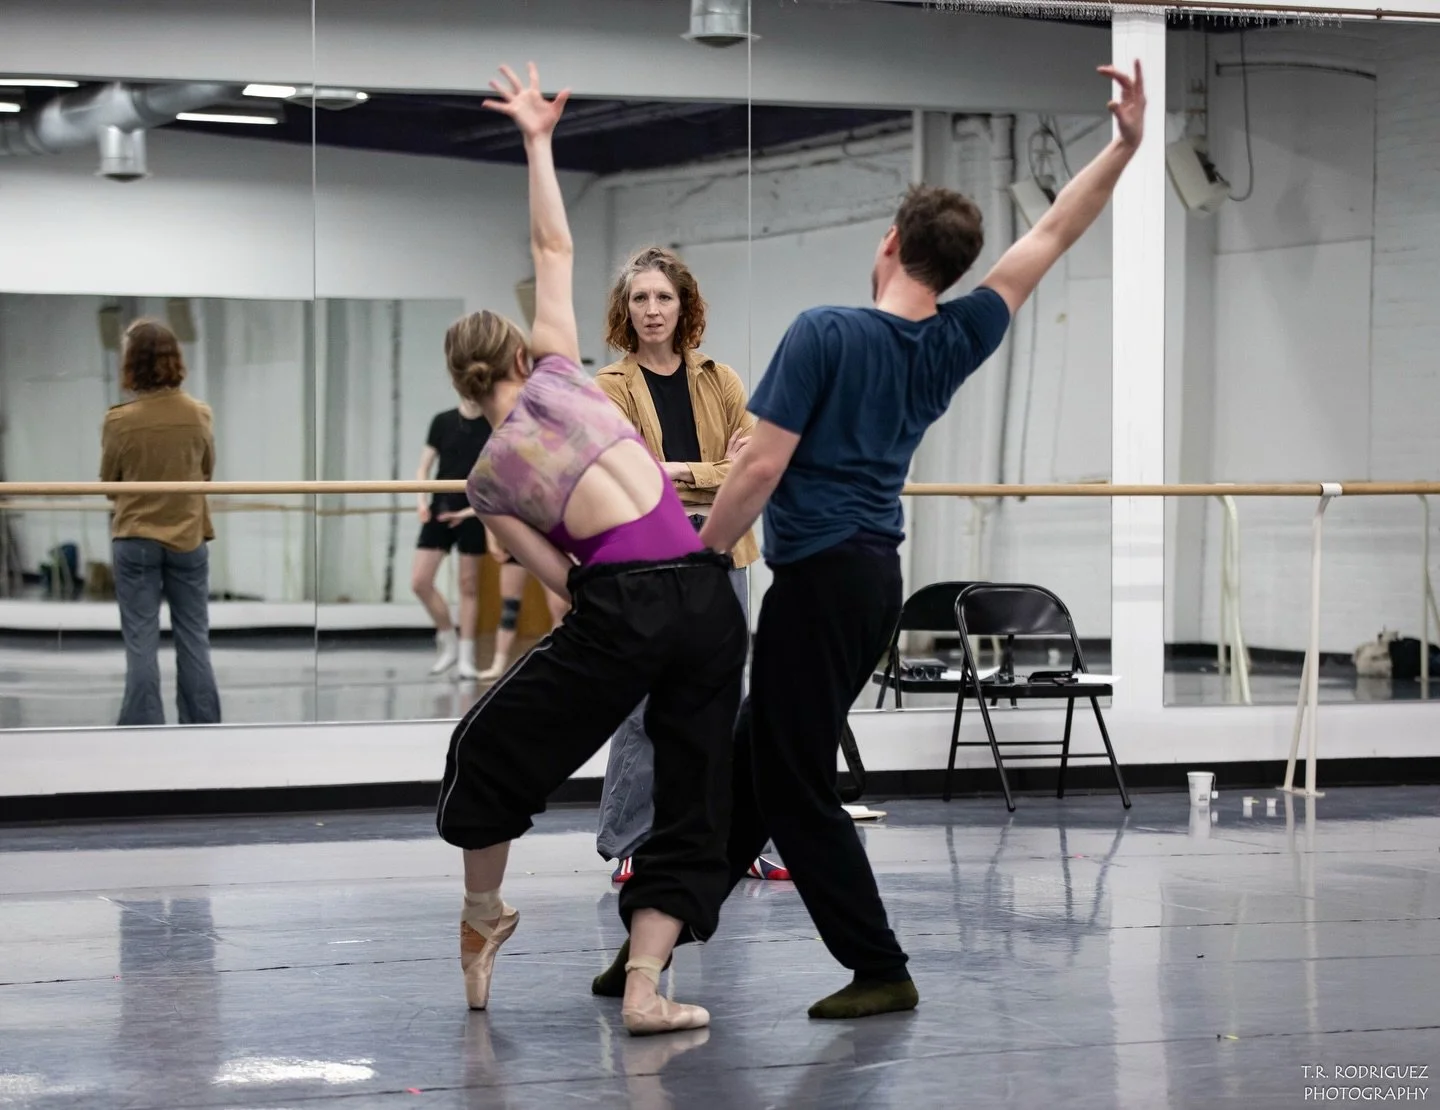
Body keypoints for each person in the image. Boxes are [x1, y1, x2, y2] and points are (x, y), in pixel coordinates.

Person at [593, 60, 1147, 1019]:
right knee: (754, 773)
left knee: (792, 784)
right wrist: (1125, 146)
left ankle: (880, 965)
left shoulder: (825, 332)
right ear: (952, 265)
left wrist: (702, 553)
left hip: (815, 586)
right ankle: (656, 941)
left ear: (889, 243)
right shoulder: (958, 336)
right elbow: (1053, 233)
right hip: (872, 584)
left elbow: (758, 470)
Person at [434, 62, 747, 1037]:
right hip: (709, 596)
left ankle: (484, 914)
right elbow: (553, 244)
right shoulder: (564, 376)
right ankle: (647, 989)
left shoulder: (489, 483)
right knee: (690, 800)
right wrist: (538, 139)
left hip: (630, 606)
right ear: (519, 357)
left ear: (461, 388)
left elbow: (567, 584)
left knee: (484, 751)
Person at [593, 245, 788, 886]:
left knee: (727, 699)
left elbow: (750, 465)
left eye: (663, 297)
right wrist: (711, 471)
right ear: (626, 310)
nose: (652, 309)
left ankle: (738, 837)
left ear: (684, 306)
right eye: (640, 298)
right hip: (648, 550)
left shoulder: (721, 379)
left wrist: (679, 470)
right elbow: (630, 473)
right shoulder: (609, 387)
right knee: (647, 697)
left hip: (724, 547)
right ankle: (632, 840)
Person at [100, 318, 221, 727]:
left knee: (141, 642)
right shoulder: (199, 414)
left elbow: (109, 483)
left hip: (135, 537)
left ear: (132, 362)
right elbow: (206, 472)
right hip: (188, 536)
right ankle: (203, 726)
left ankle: (142, 726)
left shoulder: (119, 420)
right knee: (195, 638)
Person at [412, 400, 491, 679]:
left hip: (474, 510)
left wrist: (471, 511)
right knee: (420, 581)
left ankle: (467, 657)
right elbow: (423, 468)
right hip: (441, 507)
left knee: (468, 585)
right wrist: (422, 501)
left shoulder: (493, 422)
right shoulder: (443, 421)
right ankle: (449, 640)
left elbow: (498, 475)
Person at [477, 527, 568, 681]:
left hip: (546, 544)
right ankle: (498, 663)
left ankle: (558, 659)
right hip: (517, 542)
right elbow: (488, 513)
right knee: (509, 607)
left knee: (560, 608)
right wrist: (492, 542)